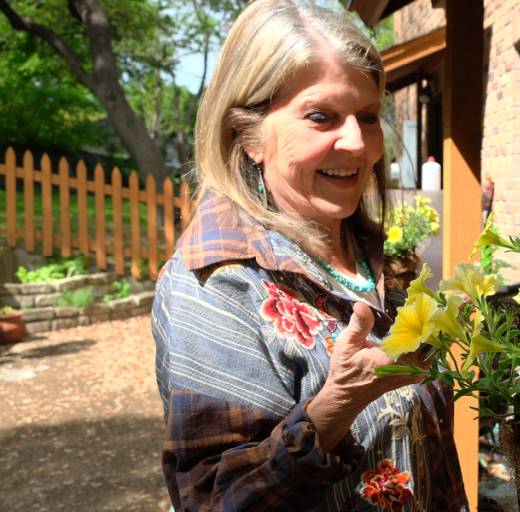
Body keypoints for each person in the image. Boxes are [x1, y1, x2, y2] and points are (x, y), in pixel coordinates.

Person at [152, 1, 468, 510]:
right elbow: (213, 498)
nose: (358, 143)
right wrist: (336, 405)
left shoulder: (371, 255)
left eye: (367, 117)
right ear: (247, 135)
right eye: (321, 116)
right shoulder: (215, 284)